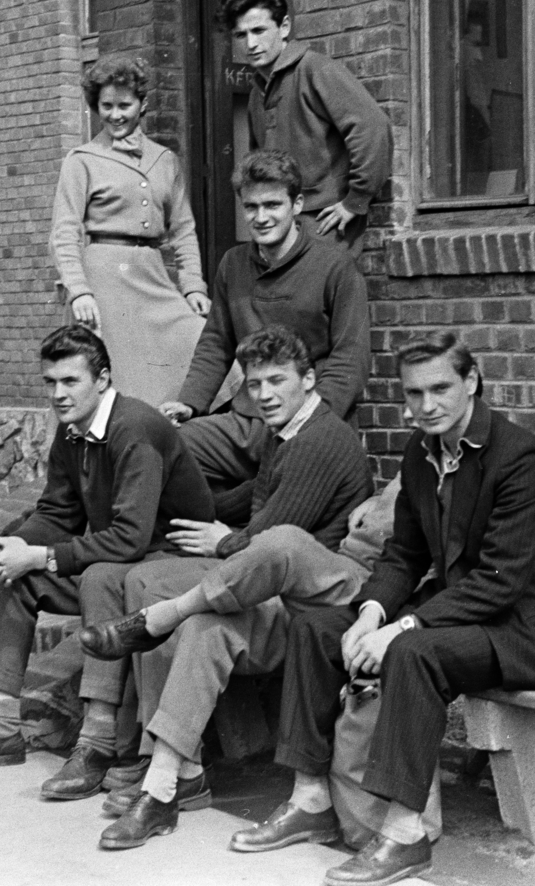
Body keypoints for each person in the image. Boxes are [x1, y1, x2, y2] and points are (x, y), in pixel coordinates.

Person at [229, 332, 535, 886]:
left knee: (413, 652)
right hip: (459, 618)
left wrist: (403, 625)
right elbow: (404, 554)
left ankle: (404, 833)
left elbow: (500, 580)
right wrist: (372, 611)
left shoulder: (520, 457)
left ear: (470, 383)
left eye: (440, 389)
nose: (427, 405)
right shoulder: (422, 453)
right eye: (414, 393)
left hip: (521, 630)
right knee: (318, 628)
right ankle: (311, 797)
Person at [76, 325, 378, 849]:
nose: (263, 395)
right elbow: (253, 501)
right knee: (154, 585)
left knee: (172, 597)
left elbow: (269, 538)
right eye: (255, 385)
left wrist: (220, 541)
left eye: (277, 381)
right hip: (262, 590)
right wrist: (184, 505)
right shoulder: (285, 435)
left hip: (303, 601)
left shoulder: (322, 440)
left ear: (309, 381)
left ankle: (162, 768)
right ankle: (173, 769)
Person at [0, 325, 214, 804]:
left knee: (98, 576)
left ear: (102, 380)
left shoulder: (134, 429)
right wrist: (14, 546)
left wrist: (42, 555)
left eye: (70, 382)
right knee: (16, 577)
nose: (58, 394)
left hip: (171, 561)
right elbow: (59, 512)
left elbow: (131, 537)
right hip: (127, 556)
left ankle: (96, 744)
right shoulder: (74, 430)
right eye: (50, 382)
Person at [158, 150, 369, 513]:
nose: (261, 217)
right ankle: (228, 512)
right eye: (251, 207)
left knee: (288, 500)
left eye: (272, 205)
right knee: (164, 446)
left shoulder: (334, 266)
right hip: (247, 421)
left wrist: (310, 421)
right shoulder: (233, 264)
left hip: (308, 420)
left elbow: (350, 358)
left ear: (297, 204)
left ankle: (246, 510)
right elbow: (216, 343)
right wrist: (190, 403)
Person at [51, 53, 210, 407]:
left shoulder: (165, 160)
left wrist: (193, 286)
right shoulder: (82, 160)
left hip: (152, 277)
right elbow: (64, 232)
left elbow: (183, 230)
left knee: (201, 338)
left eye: (125, 105)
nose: (115, 115)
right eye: (106, 105)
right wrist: (79, 291)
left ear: (143, 104)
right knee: (111, 379)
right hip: (103, 282)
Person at [218, 0, 392, 254]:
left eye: (259, 30)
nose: (251, 43)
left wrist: (354, 201)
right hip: (282, 224)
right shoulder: (257, 92)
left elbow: (373, 128)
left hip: (323, 223)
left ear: (284, 27)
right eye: (241, 35)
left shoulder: (315, 70)